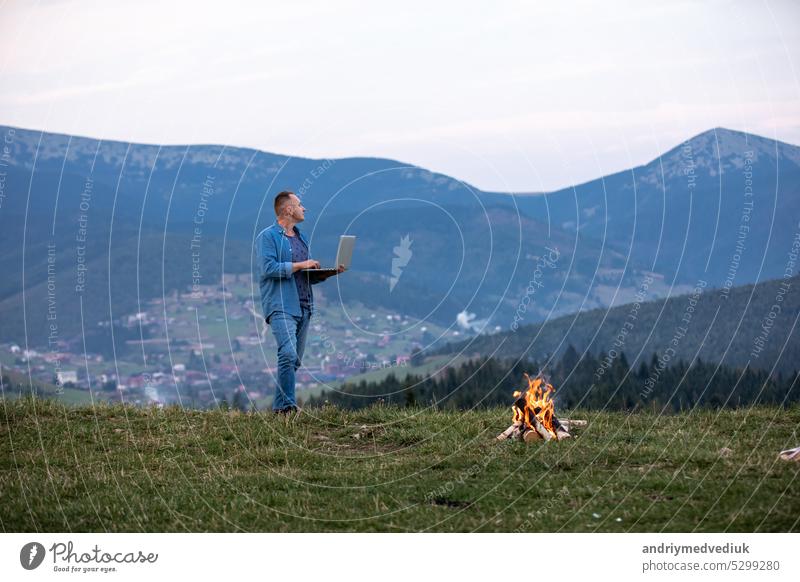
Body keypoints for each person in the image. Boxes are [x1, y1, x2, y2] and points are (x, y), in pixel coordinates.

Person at [256, 191, 346, 414]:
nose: (303, 208)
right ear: (288, 209)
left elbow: (303, 274)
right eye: (299, 204)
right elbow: (269, 269)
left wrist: (328, 273)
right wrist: (301, 264)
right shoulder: (268, 237)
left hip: (304, 305)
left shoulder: (301, 238)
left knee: (293, 360)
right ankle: (287, 408)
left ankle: (280, 408)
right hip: (281, 305)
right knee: (287, 354)